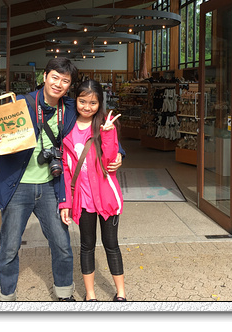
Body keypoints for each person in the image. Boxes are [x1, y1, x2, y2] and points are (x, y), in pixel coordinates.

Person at [0, 57, 124, 302]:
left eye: (65, 80)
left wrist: (119, 153)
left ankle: (64, 293)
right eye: (55, 77)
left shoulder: (70, 107)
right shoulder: (22, 104)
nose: (58, 84)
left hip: (52, 185)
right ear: (44, 76)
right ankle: (7, 296)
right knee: (9, 247)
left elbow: (97, 123)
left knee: (62, 244)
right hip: (18, 185)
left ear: (70, 85)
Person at [59, 79, 127, 302]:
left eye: (93, 103)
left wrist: (108, 134)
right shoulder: (67, 128)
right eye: (82, 101)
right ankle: (90, 295)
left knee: (111, 245)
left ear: (100, 103)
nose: (87, 107)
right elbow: (66, 170)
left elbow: (109, 162)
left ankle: (121, 293)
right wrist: (66, 203)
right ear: (75, 100)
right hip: (83, 199)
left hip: (106, 197)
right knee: (86, 246)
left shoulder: (105, 125)